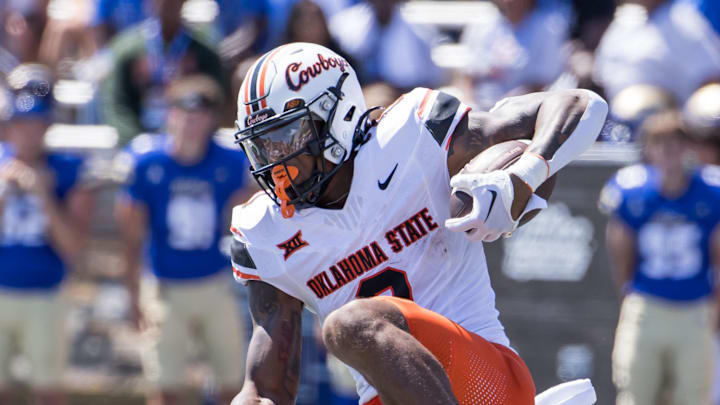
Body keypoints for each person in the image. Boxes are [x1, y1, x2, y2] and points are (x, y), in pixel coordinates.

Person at [229, 42, 608, 405]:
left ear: (335, 115)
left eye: (285, 138)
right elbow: (266, 390)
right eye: (262, 147)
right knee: (350, 326)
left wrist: (523, 175)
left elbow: (578, 103)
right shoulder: (265, 233)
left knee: (349, 324)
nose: (275, 161)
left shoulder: (412, 137)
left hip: (485, 382)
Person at [115, 74, 251, 405]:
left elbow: (250, 216)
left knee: (234, 383)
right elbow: (131, 235)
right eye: (183, 112)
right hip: (165, 286)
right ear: (169, 114)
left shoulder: (231, 161)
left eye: (199, 114)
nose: (190, 122)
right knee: (165, 386)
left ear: (211, 120)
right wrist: (132, 293)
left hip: (216, 282)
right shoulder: (147, 162)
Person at [599, 111, 720, 405]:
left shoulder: (711, 192)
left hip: (694, 308)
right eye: (660, 142)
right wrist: (630, 295)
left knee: (693, 397)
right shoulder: (631, 190)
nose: (669, 150)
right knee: (635, 395)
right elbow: (620, 249)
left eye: (677, 142)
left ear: (689, 147)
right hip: (647, 306)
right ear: (648, 149)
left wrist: (714, 307)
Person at [0, 64, 94, 405]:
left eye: (36, 124)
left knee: (49, 391)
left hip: (46, 294)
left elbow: (72, 245)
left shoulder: (68, 170)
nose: (29, 133)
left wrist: (44, 197)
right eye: (22, 124)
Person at [102, 0, 228, 145]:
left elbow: (215, 102)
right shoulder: (126, 49)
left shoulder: (205, 52)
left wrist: (189, 139)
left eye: (172, 2)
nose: (166, 5)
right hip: (138, 143)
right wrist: (135, 141)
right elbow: (117, 103)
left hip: (190, 146)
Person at [593, 0, 720, 106]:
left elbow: (710, 84)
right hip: (615, 125)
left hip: (668, 127)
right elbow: (600, 78)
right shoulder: (624, 20)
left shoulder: (684, 21)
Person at [461, 0, 570, 110]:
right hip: (480, 107)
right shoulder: (482, 24)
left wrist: (505, 106)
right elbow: (467, 77)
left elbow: (542, 84)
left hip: (524, 110)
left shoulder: (547, 29)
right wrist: (470, 107)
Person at [329, 0, 443, 90]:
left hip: (404, 98)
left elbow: (432, 81)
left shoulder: (422, 30)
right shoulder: (343, 25)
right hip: (357, 97)